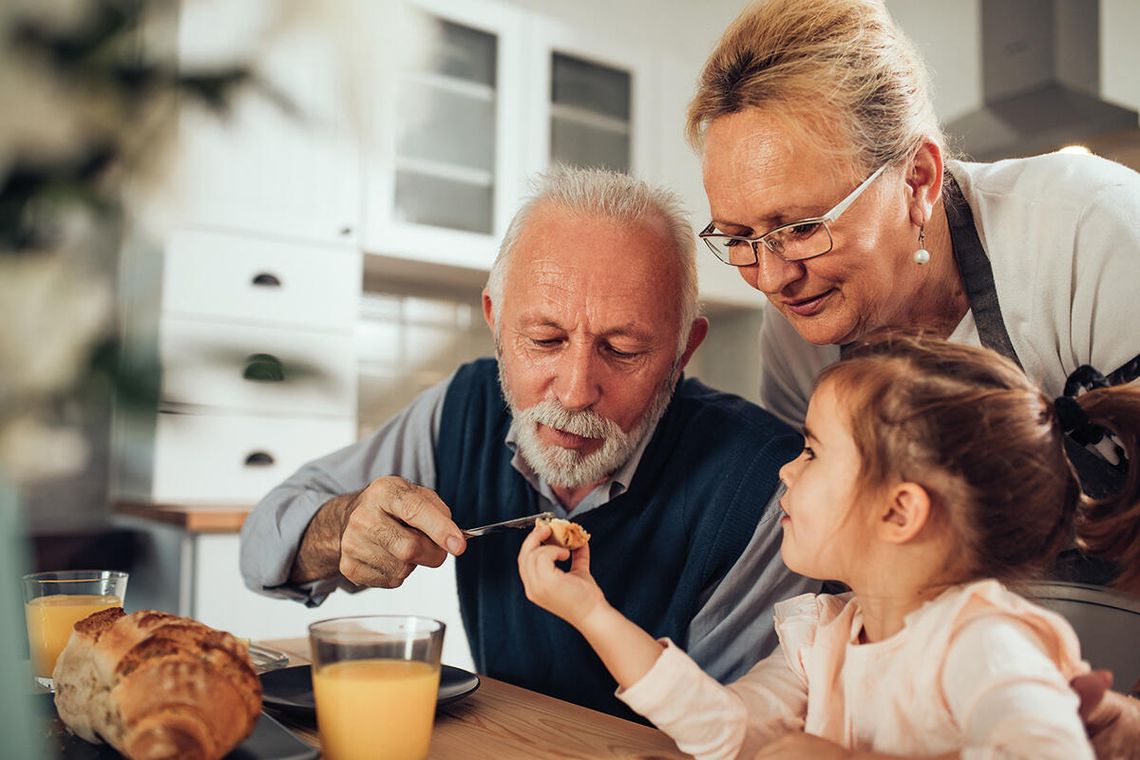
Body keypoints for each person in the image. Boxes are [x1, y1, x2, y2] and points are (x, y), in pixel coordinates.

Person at [239, 166, 815, 719]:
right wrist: (339, 528)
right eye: (544, 339)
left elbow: (730, 735)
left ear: (684, 351)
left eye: (622, 351)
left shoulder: (767, 487)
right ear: (495, 320)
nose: (573, 392)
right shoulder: (461, 411)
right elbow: (261, 546)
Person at [518, 331, 1140, 759]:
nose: (786, 471)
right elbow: (730, 731)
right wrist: (589, 610)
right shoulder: (824, 636)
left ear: (899, 511)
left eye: (812, 451)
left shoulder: (983, 641)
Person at [687, 0, 1140, 505]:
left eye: (802, 228)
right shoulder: (799, 344)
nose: (772, 278)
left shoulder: (1086, 230)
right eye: (738, 237)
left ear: (917, 179)